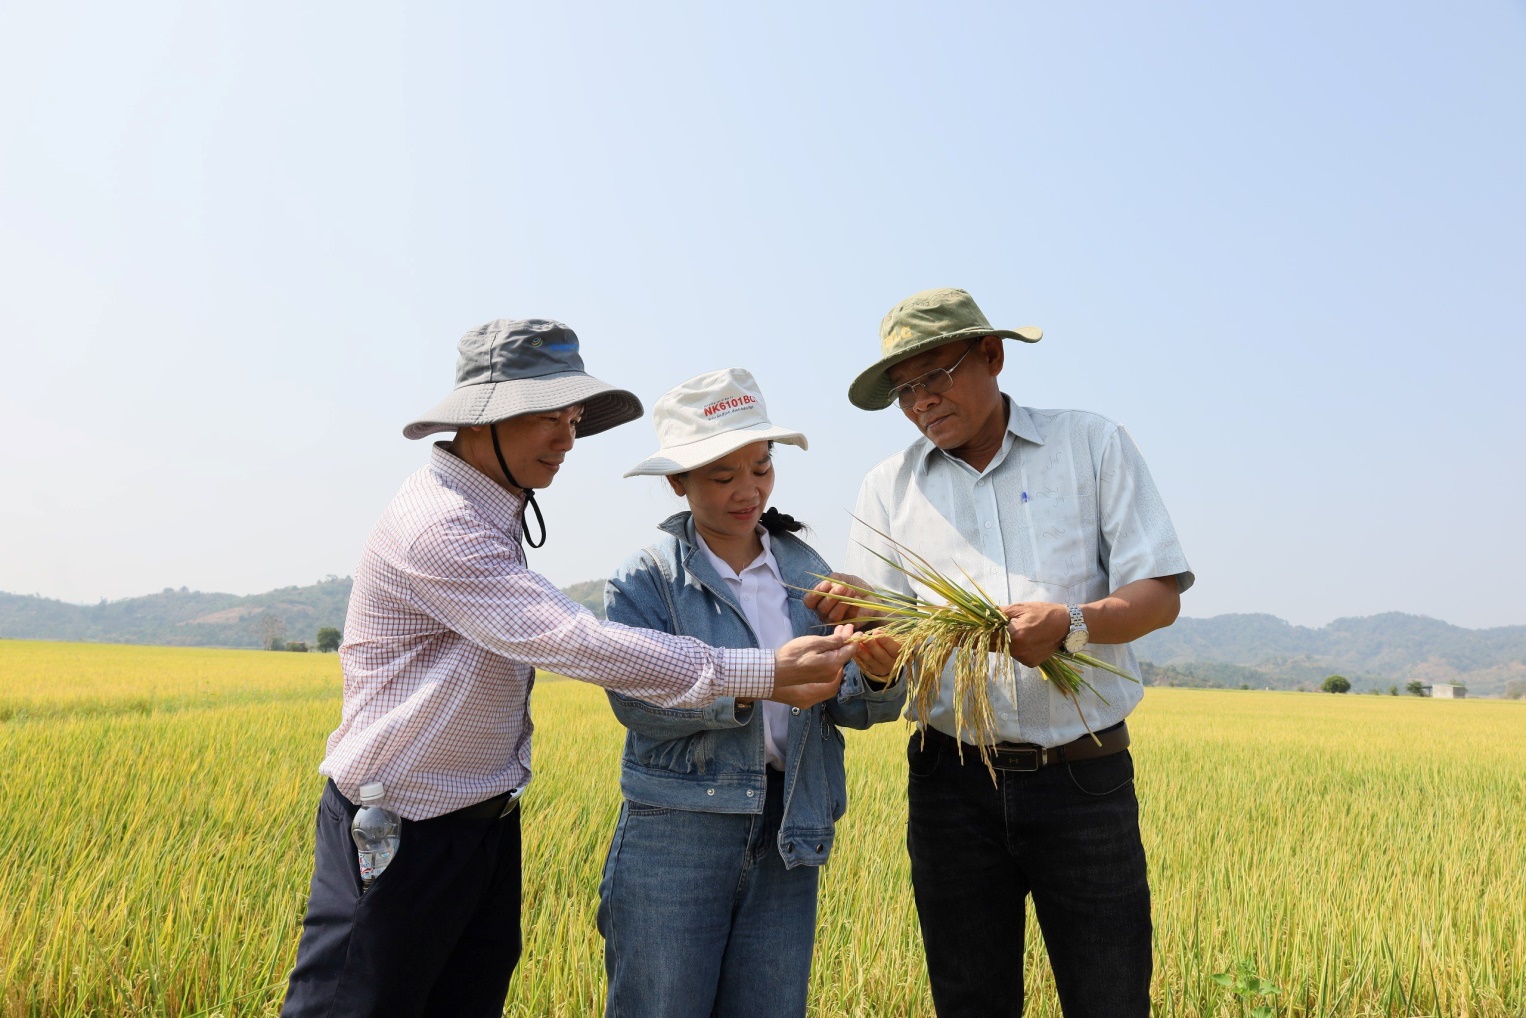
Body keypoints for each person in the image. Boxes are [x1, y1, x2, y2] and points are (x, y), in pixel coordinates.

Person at [280, 320, 856, 1018]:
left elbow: (855, 701)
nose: (566, 439)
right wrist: (762, 673)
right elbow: (571, 640)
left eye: (574, 418)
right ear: (482, 418)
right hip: (403, 828)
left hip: (481, 824)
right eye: (545, 418)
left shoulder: (494, 513)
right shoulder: (443, 526)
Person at [807, 288, 1194, 1018]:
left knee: (1110, 998)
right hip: (951, 785)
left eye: (936, 376)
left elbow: (1159, 596)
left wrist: (1070, 623)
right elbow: (890, 650)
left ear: (993, 355)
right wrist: (871, 649)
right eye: (904, 390)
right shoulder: (888, 489)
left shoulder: (1091, 444)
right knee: (969, 1001)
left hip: (1085, 780)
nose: (922, 402)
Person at [595, 368, 907, 1018]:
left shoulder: (809, 574)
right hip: (676, 834)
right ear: (677, 482)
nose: (748, 491)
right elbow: (638, 702)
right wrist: (764, 679)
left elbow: (850, 704)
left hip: (789, 832)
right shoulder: (646, 580)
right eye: (722, 476)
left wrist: (877, 672)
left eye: (761, 469)